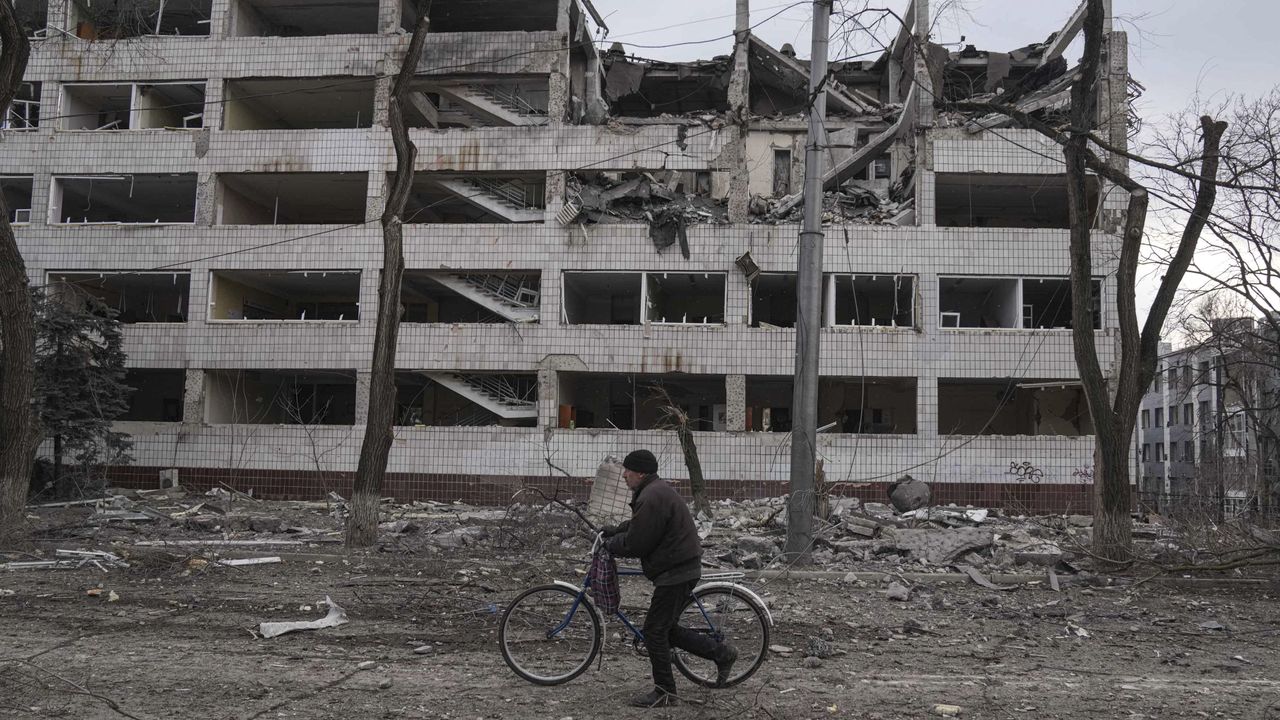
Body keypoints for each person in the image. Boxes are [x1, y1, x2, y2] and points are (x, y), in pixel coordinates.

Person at [603, 449, 737, 708]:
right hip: (679, 565)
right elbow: (641, 526)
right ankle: (721, 654)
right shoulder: (654, 491)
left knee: (654, 631)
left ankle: (665, 692)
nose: (624, 476)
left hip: (676, 570)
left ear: (640, 473)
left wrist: (612, 545)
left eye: (627, 471)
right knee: (666, 628)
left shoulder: (651, 496)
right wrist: (613, 531)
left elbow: (637, 542)